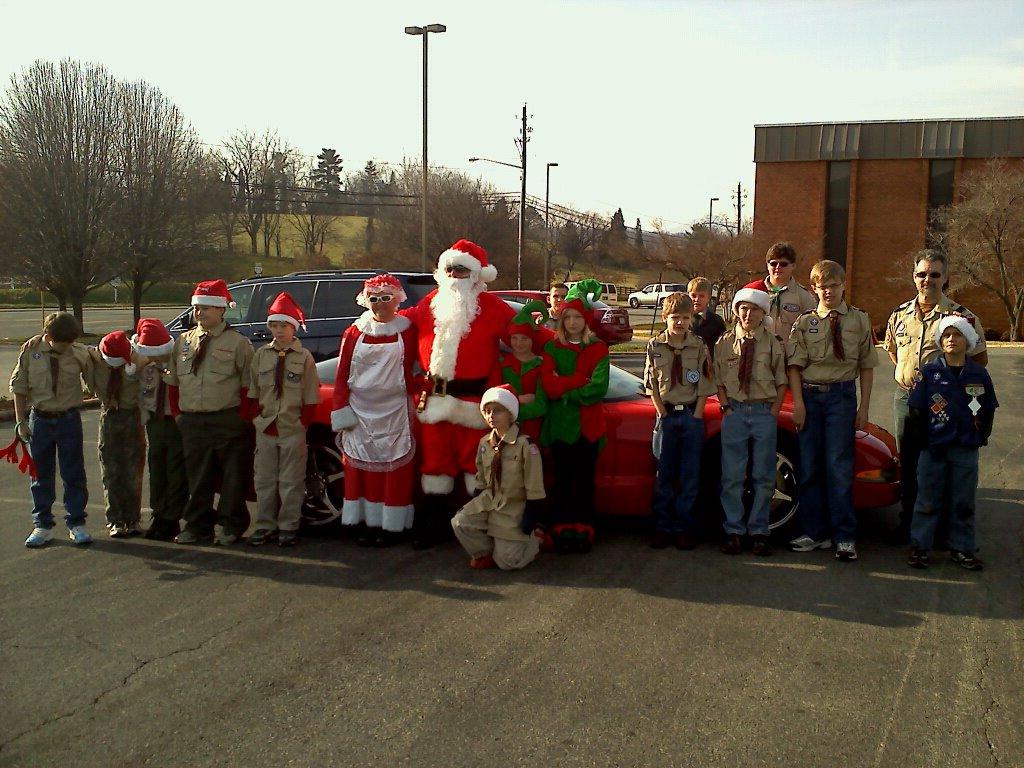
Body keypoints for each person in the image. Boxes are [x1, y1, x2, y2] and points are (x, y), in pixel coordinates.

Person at [402, 240, 516, 549]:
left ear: (478, 275)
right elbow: (398, 329)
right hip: (435, 402)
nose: (454, 274)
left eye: (462, 269)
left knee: (474, 467)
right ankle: (433, 526)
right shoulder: (428, 304)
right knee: (434, 464)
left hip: (473, 405)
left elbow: (524, 337)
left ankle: (474, 528)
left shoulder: (493, 308)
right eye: (449, 268)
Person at [883, 250, 988, 543]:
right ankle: (909, 525)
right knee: (909, 462)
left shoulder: (961, 316)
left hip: (943, 406)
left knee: (940, 464)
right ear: (913, 277)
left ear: (945, 278)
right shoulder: (899, 315)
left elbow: (979, 360)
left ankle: (940, 529)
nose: (927, 280)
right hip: (906, 399)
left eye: (934, 274)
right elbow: (893, 352)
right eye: (921, 274)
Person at [786, 260, 878, 562]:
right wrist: (798, 404)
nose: (828, 291)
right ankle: (814, 532)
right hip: (811, 398)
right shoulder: (804, 322)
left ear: (843, 286)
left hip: (841, 397)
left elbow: (866, 365)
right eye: (822, 286)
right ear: (814, 289)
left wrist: (863, 406)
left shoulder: (859, 320)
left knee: (839, 467)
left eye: (833, 285)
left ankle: (844, 536)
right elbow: (795, 367)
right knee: (810, 467)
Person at [332, 274, 418, 547]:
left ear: (397, 299)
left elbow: (420, 365)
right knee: (363, 470)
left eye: (385, 298)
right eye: (374, 299)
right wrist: (340, 407)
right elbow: (342, 372)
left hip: (395, 411)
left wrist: (423, 388)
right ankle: (365, 524)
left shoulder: (408, 330)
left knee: (395, 469)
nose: (380, 304)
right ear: (366, 301)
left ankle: (393, 526)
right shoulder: (354, 332)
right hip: (359, 411)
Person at [167, 279, 255, 546]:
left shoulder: (238, 343)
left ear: (221, 310)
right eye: (196, 308)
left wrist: (242, 418)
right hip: (193, 420)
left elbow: (248, 385)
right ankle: (197, 526)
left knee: (232, 477)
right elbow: (173, 383)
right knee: (198, 478)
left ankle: (230, 525)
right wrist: (178, 415)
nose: (200, 313)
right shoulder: (183, 341)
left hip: (227, 419)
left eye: (206, 308)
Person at [906, 317, 997, 570]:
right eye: (946, 335)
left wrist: (981, 436)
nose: (951, 340)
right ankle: (920, 547)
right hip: (934, 446)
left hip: (965, 447)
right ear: (940, 341)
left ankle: (963, 548)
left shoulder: (978, 374)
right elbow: (916, 410)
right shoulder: (929, 372)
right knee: (927, 498)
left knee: (963, 500)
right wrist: (921, 440)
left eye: (957, 335)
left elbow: (987, 408)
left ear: (967, 340)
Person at [11, 311, 95, 547]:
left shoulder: (79, 353)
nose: (67, 347)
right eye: (62, 344)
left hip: (68, 419)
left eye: (71, 343)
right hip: (41, 419)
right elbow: (19, 387)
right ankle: (42, 524)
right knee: (40, 475)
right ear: (48, 336)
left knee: (74, 473)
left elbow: (96, 382)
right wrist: (20, 421)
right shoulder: (31, 350)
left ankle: (76, 523)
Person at [714, 288, 787, 556]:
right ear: (736, 311)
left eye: (754, 309)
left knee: (764, 475)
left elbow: (781, 380)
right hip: (734, 412)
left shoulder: (773, 342)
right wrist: (725, 406)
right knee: (732, 475)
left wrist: (774, 411)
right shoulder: (724, 342)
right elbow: (719, 379)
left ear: (762, 313)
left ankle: (759, 532)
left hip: (762, 413)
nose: (748, 314)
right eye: (743, 308)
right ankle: (734, 530)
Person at [540, 279, 610, 553]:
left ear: (586, 320)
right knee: (562, 480)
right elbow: (549, 385)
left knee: (584, 481)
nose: (572, 322)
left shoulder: (598, 349)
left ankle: (584, 528)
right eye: (567, 317)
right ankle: (561, 528)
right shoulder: (551, 349)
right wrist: (579, 381)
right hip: (559, 426)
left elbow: (597, 389)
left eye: (577, 317)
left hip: (588, 426)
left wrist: (567, 388)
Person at [248, 292, 321, 547]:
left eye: (284, 326)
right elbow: (254, 392)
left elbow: (311, 396)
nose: (279, 331)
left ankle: (288, 526)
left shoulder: (304, 358)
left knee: (291, 481)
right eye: (274, 326)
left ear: (294, 328)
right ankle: (264, 525)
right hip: (266, 427)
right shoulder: (261, 356)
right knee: (264, 480)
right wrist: (257, 417)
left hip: (292, 428)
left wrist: (302, 424)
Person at [644, 293, 715, 550]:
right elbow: (651, 383)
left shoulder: (698, 346)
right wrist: (661, 411)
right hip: (666, 416)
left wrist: (698, 414)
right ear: (665, 317)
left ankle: (684, 528)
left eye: (685, 318)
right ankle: (663, 528)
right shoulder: (655, 345)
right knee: (664, 475)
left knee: (689, 475)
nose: (680, 323)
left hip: (691, 416)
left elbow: (706, 383)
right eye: (675, 317)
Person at [451, 386, 546, 570]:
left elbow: (534, 485)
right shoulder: (485, 443)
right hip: (489, 501)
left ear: (511, 414)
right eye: (487, 411)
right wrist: (474, 503)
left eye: (498, 411)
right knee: (460, 522)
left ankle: (535, 539)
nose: (491, 416)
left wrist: (532, 515)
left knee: (508, 563)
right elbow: (481, 476)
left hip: (513, 508)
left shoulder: (525, 445)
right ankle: (485, 552)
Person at [132, 318, 188, 541]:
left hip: (175, 422)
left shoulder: (179, 363)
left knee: (176, 470)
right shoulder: (145, 366)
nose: (154, 358)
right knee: (156, 469)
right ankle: (159, 512)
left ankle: (172, 518)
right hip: (154, 422)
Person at [88, 330, 146, 538]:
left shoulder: (137, 357)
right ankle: (115, 520)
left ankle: (133, 519)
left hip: (133, 416)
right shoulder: (92, 359)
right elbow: (69, 347)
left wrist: (136, 361)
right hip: (110, 416)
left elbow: (158, 354)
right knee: (111, 471)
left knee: (133, 470)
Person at [499, 300, 551, 444]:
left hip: (534, 432)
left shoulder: (541, 365)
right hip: (505, 431)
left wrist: (508, 412)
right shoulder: (502, 364)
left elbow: (542, 405)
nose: (518, 343)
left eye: (524, 338)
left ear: (532, 339)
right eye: (514, 338)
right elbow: (495, 398)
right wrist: (519, 400)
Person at [745, 242, 817, 340]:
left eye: (783, 264)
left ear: (793, 266)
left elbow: (811, 331)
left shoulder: (804, 297)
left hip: (790, 353)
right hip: (760, 352)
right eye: (773, 263)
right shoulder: (752, 292)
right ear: (767, 265)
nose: (778, 267)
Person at [687, 277, 727, 356]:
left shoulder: (716, 321)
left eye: (701, 296)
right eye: (693, 295)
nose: (697, 299)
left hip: (709, 363)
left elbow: (723, 347)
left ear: (708, 298)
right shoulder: (682, 319)